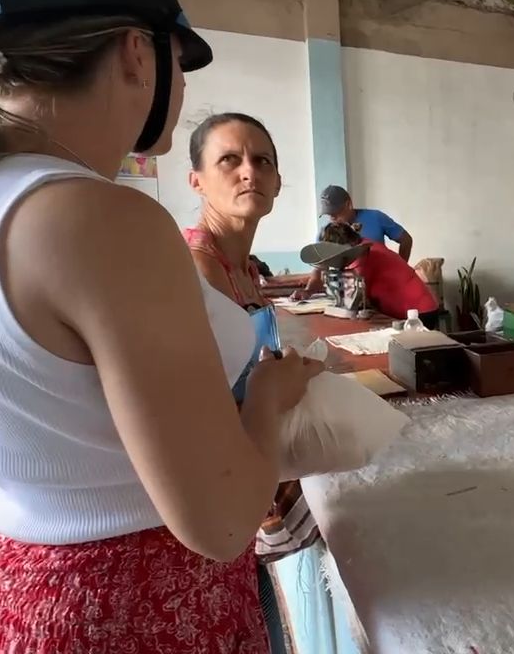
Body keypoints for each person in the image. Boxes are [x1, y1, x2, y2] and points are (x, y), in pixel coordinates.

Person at [0, 0, 320, 651]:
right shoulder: (100, 219)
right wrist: (272, 399)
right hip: (124, 606)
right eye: (179, 60)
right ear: (136, 53)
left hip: (2, 585)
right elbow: (219, 522)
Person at [183, 112, 321, 654]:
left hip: (250, 460)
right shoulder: (197, 265)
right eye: (229, 160)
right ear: (196, 179)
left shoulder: (243, 266)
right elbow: (196, 407)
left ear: (278, 181)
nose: (249, 173)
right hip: (217, 488)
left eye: (262, 161)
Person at [317, 221, 440, 326]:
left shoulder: (365, 254)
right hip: (410, 311)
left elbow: (355, 295)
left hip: (418, 313)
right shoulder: (364, 245)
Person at [319, 184, 413, 261]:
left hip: (380, 279)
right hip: (348, 281)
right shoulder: (326, 234)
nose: (332, 218)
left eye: (336, 212)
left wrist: (400, 267)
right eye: (329, 214)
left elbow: (406, 240)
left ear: (348, 204)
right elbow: (320, 269)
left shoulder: (376, 217)